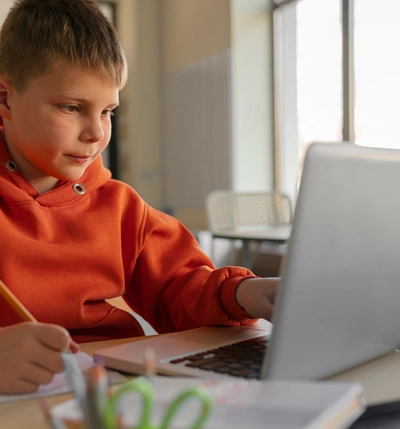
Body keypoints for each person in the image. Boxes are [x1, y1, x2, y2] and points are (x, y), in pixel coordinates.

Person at [0, 0, 279, 394]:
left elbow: (180, 287)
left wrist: (251, 294)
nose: (96, 133)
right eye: (72, 107)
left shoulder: (119, 206)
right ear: (5, 98)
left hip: (113, 389)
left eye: (107, 111)